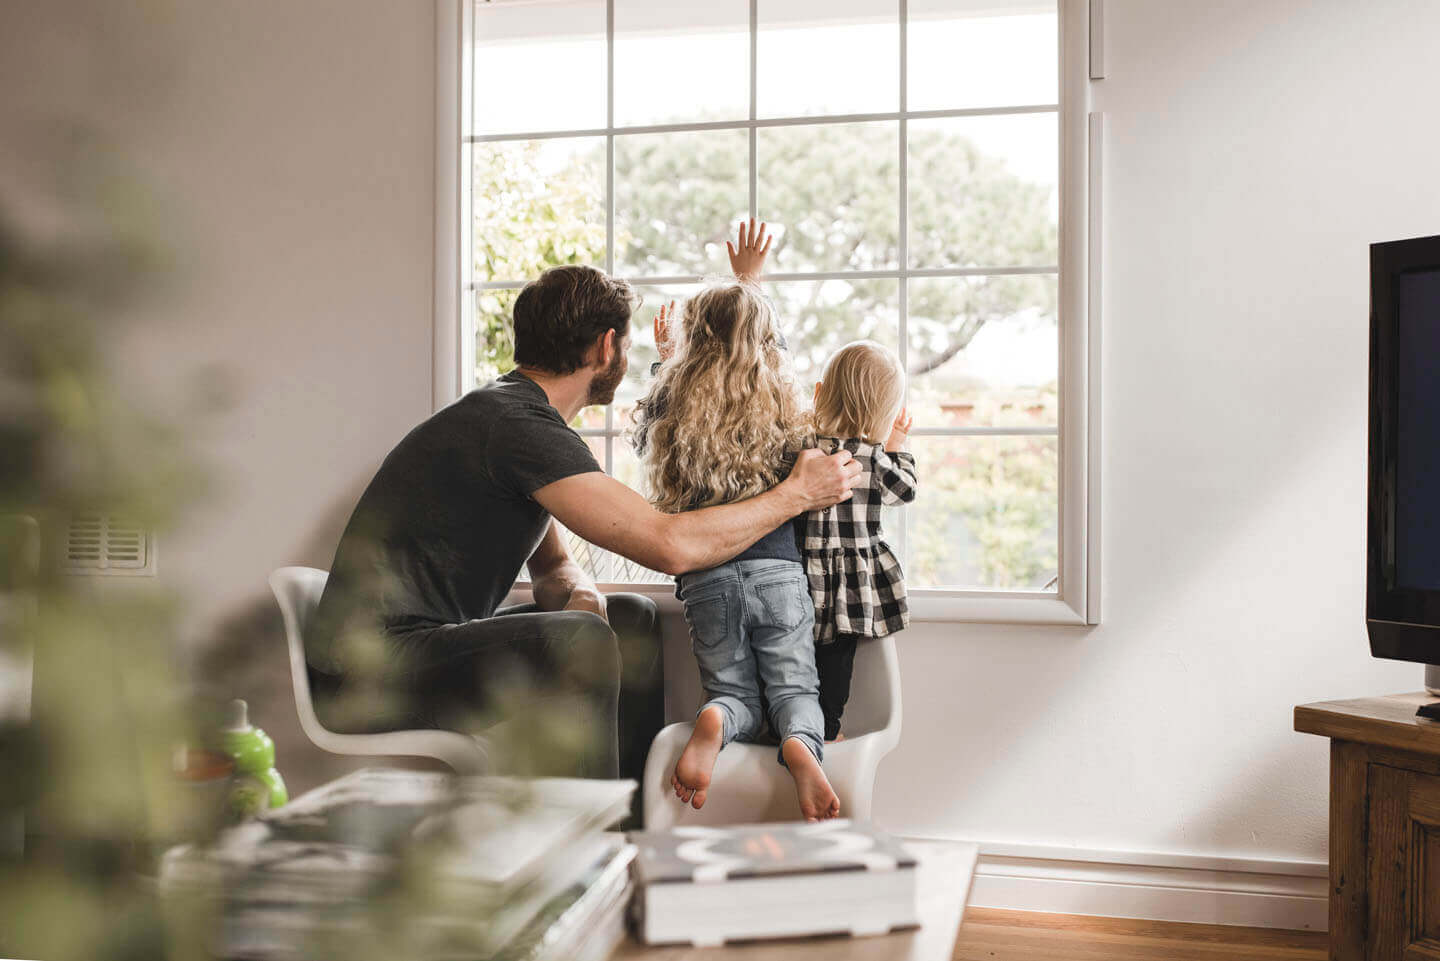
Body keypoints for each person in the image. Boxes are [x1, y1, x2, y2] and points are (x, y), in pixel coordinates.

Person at [306, 259, 861, 810]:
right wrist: (796, 495)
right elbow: (670, 546)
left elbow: (552, 569)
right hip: (364, 674)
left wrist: (583, 595)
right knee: (582, 638)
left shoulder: (512, 421)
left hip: (412, 650)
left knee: (629, 621)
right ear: (605, 347)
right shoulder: (518, 428)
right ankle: (596, 840)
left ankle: (635, 819)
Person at [632, 221, 839, 821]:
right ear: (766, 345)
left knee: (733, 694)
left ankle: (717, 718)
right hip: (777, 575)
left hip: (706, 582)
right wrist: (750, 287)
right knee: (795, 693)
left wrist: (670, 359)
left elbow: (654, 414)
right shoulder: (783, 405)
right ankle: (801, 746)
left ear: (688, 345)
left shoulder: (673, 406)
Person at [804, 341, 918, 742]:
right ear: (884, 416)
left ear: (820, 394)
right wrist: (896, 447)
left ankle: (786, 723)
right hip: (853, 582)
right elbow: (904, 492)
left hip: (805, 574)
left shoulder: (804, 450)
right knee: (838, 659)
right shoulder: (875, 458)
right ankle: (827, 728)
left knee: (793, 657)